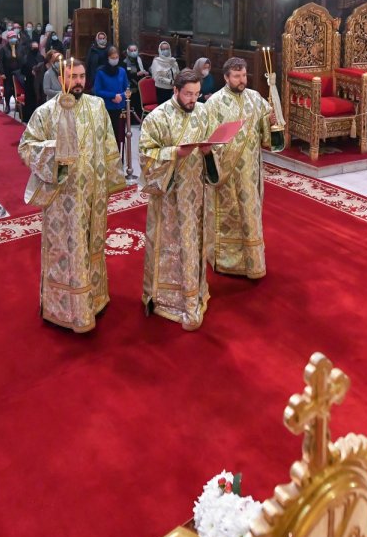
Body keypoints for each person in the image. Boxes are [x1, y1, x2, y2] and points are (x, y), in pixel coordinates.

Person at [18, 59, 126, 332]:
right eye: (72, 76)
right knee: (69, 250)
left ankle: (95, 299)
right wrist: (55, 150)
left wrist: (111, 182)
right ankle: (66, 309)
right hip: (63, 198)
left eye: (81, 76)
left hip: (94, 194)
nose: (78, 81)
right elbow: (26, 147)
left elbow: (109, 144)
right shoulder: (45, 112)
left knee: (92, 245)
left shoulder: (97, 106)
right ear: (61, 79)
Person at [140, 68, 221, 330]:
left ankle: (196, 293)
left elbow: (215, 148)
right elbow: (146, 155)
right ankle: (168, 299)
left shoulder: (204, 112)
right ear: (175, 90)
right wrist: (175, 152)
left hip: (196, 195)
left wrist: (208, 153)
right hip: (170, 199)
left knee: (194, 242)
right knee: (172, 245)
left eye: (196, 94)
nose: (193, 99)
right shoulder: (158, 117)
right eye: (188, 94)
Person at [204, 57, 283, 279]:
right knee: (228, 213)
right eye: (236, 76)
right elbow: (207, 139)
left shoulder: (255, 98)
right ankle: (226, 262)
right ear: (226, 77)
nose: (242, 80)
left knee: (250, 214)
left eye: (244, 75)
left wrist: (271, 121)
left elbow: (266, 135)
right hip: (226, 173)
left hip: (250, 172)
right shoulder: (214, 103)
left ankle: (253, 262)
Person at [93, 46, 131, 148]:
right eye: (112, 58)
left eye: (116, 57)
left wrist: (121, 96)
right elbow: (97, 90)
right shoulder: (101, 72)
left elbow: (127, 88)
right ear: (107, 58)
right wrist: (113, 96)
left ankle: (117, 154)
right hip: (106, 108)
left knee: (118, 135)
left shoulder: (122, 71)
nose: (115, 60)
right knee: (107, 135)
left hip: (120, 108)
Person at [0, 30, 25, 111]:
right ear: (8, 39)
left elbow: (24, 59)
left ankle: (18, 104)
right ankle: (7, 105)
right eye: (11, 37)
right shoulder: (3, 49)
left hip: (19, 72)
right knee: (8, 89)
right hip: (7, 72)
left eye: (14, 37)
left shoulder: (21, 48)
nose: (13, 39)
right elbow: (0, 62)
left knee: (18, 88)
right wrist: (2, 73)